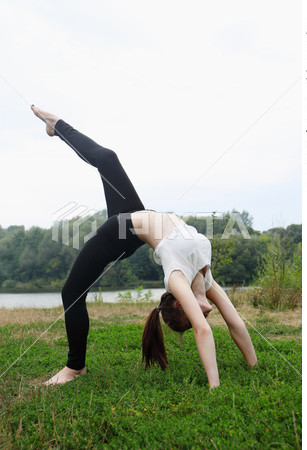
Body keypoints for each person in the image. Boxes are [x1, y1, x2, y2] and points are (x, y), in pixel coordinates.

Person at [31, 106, 257, 389]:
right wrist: (253, 364)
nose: (203, 315)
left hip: (118, 234)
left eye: (190, 316)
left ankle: (75, 367)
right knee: (108, 158)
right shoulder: (206, 278)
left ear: (179, 301)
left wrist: (215, 385)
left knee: (71, 293)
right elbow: (235, 322)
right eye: (196, 317)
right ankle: (56, 126)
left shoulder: (177, 277)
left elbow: (202, 330)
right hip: (136, 217)